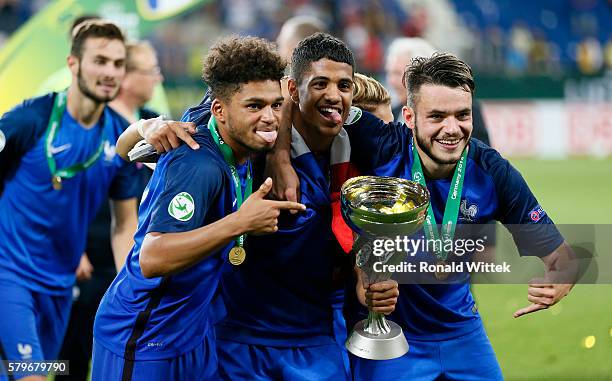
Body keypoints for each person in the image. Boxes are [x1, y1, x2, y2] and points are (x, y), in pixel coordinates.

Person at [115, 33, 400, 381]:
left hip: (317, 342)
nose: (334, 97)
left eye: (345, 87)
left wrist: (364, 275)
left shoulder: (359, 169)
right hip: (232, 341)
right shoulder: (242, 140)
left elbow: (358, 238)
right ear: (294, 90)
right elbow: (129, 149)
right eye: (321, 84)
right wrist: (147, 126)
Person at [342, 53, 576, 380]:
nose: (452, 129)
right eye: (436, 116)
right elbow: (308, 98)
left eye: (462, 115)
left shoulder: (492, 171)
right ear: (408, 117)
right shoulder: (382, 146)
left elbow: (562, 256)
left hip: (464, 334)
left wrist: (561, 280)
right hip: (390, 338)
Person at [91, 36, 306, 381]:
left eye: (275, 105)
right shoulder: (197, 164)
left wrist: (280, 155)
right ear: (220, 110)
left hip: (193, 331)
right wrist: (239, 223)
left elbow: (124, 148)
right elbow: (152, 257)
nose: (270, 118)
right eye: (254, 107)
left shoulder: (219, 120)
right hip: (145, 336)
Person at [0, 20, 139, 381]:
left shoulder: (118, 138)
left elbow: (124, 223)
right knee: (30, 375)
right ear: (73, 64)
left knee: (36, 372)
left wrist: (131, 287)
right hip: (9, 276)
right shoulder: (29, 120)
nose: (110, 72)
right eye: (100, 61)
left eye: (118, 64)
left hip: (60, 287)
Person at [56, 40, 163, 381]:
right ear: (126, 77)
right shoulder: (90, 126)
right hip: (88, 263)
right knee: (71, 361)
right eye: (151, 71)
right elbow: (59, 193)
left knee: (124, 358)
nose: (158, 79)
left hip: (131, 262)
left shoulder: (155, 126)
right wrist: (71, 251)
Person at [385, 37, 491, 145]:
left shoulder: (466, 109)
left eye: (398, 74)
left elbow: (482, 156)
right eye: (389, 73)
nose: (391, 81)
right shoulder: (391, 114)